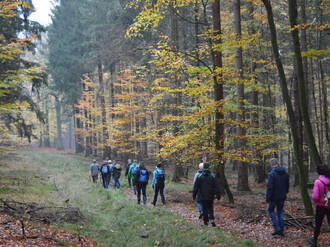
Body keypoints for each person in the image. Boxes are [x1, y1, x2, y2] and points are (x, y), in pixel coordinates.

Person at [307, 165, 330, 247]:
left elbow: (315, 196)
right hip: (329, 204)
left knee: (318, 223)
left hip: (321, 205)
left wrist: (318, 202)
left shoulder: (318, 182)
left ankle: (314, 240)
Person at [266, 158, 289, 237]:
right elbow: (287, 186)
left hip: (273, 197)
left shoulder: (271, 174)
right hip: (282, 197)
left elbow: (270, 187)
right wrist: (285, 193)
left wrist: (268, 198)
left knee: (270, 211)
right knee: (280, 213)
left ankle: (277, 227)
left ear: (272, 165)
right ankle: (282, 231)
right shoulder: (285, 173)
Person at [193, 162, 221, 227]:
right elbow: (216, 186)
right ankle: (212, 220)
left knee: (204, 208)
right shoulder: (212, 176)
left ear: (203, 167)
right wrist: (218, 195)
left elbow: (196, 187)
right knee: (211, 208)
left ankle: (206, 222)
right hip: (211, 195)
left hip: (202, 196)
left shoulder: (199, 176)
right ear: (209, 167)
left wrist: (194, 195)